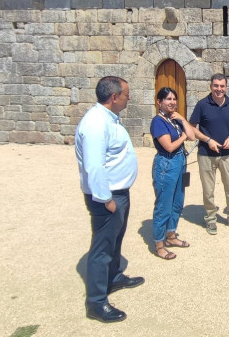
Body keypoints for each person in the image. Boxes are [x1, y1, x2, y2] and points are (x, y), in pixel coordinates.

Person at [75, 76, 143, 323]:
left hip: (118, 193)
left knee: (115, 240)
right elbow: (94, 167)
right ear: (114, 97)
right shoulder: (95, 124)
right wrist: (107, 200)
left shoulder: (108, 119)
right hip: (107, 197)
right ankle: (96, 303)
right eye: (126, 94)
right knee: (102, 248)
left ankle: (112, 278)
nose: (129, 97)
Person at [189, 74, 229, 235]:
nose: (219, 89)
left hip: (227, 154)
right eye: (216, 85)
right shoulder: (202, 105)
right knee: (208, 190)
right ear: (211, 86)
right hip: (206, 154)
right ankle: (211, 220)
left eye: (222, 86)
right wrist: (208, 140)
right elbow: (192, 127)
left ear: (226, 87)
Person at [151, 87, 195, 259]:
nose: (172, 102)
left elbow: (192, 136)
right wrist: (183, 137)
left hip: (180, 163)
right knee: (164, 204)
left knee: (178, 201)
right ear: (159, 102)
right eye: (168, 99)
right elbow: (169, 146)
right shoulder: (158, 121)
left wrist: (183, 120)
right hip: (166, 165)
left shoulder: (175, 119)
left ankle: (171, 235)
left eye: (174, 99)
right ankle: (159, 244)